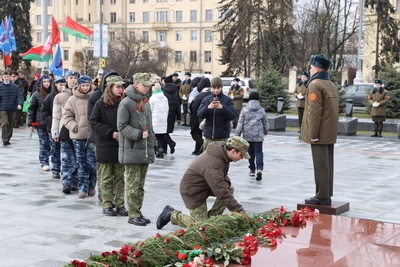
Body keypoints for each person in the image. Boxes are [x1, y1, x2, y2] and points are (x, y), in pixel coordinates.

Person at [156, 136, 250, 229]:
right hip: (193, 191)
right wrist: (240, 212)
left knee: (228, 189)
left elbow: (221, 181)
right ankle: (172, 215)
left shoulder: (223, 154)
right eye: (241, 155)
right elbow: (220, 190)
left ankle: (212, 219)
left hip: (205, 186)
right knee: (201, 227)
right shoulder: (214, 163)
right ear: (233, 151)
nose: (242, 158)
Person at [117, 73, 156, 226]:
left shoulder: (145, 102)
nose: (147, 87)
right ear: (136, 84)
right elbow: (121, 126)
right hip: (132, 149)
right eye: (144, 85)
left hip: (144, 149)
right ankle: (133, 214)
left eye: (148, 85)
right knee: (133, 184)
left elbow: (150, 127)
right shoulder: (126, 103)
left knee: (140, 185)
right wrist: (138, 134)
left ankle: (137, 211)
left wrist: (153, 144)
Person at [300, 54, 339, 205]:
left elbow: (314, 112)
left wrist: (312, 134)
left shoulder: (315, 84)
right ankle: (326, 193)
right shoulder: (330, 83)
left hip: (320, 133)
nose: (309, 70)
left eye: (311, 67)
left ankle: (322, 196)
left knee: (320, 165)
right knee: (327, 165)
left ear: (317, 68)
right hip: (329, 131)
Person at [90, 75, 128, 216]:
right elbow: (94, 122)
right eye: (117, 87)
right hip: (105, 144)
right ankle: (107, 204)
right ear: (110, 88)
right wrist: (110, 133)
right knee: (106, 176)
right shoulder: (100, 104)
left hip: (120, 145)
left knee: (119, 177)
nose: (120, 89)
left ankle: (120, 204)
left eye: (121, 87)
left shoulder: (124, 103)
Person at [63, 75, 97, 199]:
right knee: (80, 163)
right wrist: (74, 126)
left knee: (92, 163)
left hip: (92, 136)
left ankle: (92, 184)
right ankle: (82, 186)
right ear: (79, 86)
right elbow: (66, 116)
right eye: (83, 85)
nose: (85, 88)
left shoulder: (95, 97)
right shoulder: (72, 100)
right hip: (78, 136)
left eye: (87, 85)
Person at [52, 71, 79, 194]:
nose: (73, 80)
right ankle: (66, 182)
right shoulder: (60, 96)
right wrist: (55, 132)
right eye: (71, 78)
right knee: (66, 158)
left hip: (79, 131)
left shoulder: (82, 94)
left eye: (75, 78)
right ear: (66, 79)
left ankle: (75, 180)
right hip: (64, 130)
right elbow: (56, 116)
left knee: (78, 157)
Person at [236, 91, 269, 181]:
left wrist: (237, 134)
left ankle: (252, 169)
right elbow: (265, 123)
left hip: (247, 136)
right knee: (259, 152)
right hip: (258, 136)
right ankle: (259, 169)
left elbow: (240, 123)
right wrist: (266, 131)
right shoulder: (261, 110)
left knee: (250, 153)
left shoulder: (244, 110)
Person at [197, 77, 236, 150]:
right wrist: (208, 107)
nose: (216, 90)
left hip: (222, 137)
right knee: (207, 159)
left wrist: (222, 108)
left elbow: (232, 115)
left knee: (221, 159)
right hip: (208, 136)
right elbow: (199, 114)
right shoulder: (206, 99)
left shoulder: (227, 100)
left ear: (221, 88)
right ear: (211, 88)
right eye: (214, 88)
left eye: (218, 88)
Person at [39, 76, 64, 179]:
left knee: (67, 152)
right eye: (60, 85)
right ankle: (56, 170)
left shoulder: (68, 96)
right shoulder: (50, 97)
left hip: (66, 129)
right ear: (56, 85)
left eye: (64, 84)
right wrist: (53, 122)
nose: (62, 87)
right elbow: (43, 113)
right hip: (53, 129)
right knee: (55, 150)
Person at [27, 75, 52, 171]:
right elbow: (31, 109)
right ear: (41, 83)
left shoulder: (53, 93)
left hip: (50, 123)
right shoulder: (36, 94)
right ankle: (44, 162)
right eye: (44, 81)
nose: (46, 83)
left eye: (48, 81)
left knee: (51, 143)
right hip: (40, 123)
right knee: (43, 143)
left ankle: (50, 159)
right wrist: (31, 123)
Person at [189, 77, 211, 155]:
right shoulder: (211, 94)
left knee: (195, 133)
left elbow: (194, 107)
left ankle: (201, 145)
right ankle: (197, 149)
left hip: (197, 117)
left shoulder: (200, 95)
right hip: (208, 118)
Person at [0, 70, 23, 146]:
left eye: (7, 76)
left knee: (11, 124)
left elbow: (19, 96)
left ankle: (8, 137)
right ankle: (5, 139)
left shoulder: (15, 87)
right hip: (3, 108)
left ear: (9, 77)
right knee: (5, 123)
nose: (6, 78)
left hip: (12, 108)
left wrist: (19, 104)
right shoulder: (0, 87)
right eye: (4, 76)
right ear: (2, 77)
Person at [149, 82, 169, 158]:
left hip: (154, 120)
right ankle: (161, 150)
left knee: (155, 137)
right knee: (161, 136)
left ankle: (159, 149)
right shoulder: (165, 98)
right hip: (163, 120)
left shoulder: (152, 98)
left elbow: (150, 110)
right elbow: (167, 110)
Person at [162, 75, 181, 154]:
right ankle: (165, 149)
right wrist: (179, 116)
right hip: (172, 115)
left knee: (162, 131)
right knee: (165, 131)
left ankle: (170, 143)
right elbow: (178, 104)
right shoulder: (175, 91)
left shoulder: (163, 91)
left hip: (164, 114)